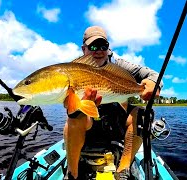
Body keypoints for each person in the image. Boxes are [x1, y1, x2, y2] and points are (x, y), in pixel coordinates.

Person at [63, 26, 163, 180]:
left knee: (142, 115)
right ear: (84, 49)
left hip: (114, 119)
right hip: (88, 122)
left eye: (103, 46)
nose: (99, 51)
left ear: (108, 48)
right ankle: (72, 174)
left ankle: (123, 170)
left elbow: (153, 75)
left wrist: (153, 83)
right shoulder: (74, 69)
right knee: (76, 115)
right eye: (93, 46)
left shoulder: (120, 64)